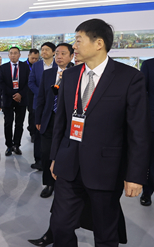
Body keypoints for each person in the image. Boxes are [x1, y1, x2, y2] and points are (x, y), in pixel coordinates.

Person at [50, 18, 149, 247]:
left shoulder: (129, 78)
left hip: (106, 170)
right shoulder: (70, 76)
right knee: (60, 226)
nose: (74, 46)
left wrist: (135, 175)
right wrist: (55, 156)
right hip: (69, 166)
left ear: (99, 43)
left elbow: (138, 131)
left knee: (105, 233)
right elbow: (61, 122)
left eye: (78, 40)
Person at [35, 43, 73, 199]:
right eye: (57, 53)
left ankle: (63, 183)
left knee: (65, 153)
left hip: (67, 120)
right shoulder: (48, 74)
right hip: (49, 118)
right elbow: (41, 97)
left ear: (71, 56)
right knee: (46, 153)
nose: (59, 56)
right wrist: (38, 118)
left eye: (63, 53)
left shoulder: (76, 73)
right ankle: (49, 183)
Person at [0, 47, 30, 156]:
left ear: (19, 55)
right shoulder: (3, 67)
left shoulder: (25, 67)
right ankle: (9, 146)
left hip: (22, 99)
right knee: (8, 123)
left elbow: (28, 82)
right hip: (8, 99)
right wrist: (13, 94)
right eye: (11, 53)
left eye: (15, 53)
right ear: (8, 55)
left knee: (19, 123)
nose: (13, 55)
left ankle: (17, 145)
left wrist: (20, 94)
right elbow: (1, 83)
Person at [141, 58, 154, 206]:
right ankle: (147, 191)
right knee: (150, 160)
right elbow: (141, 93)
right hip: (152, 121)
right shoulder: (149, 65)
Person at [26, 48, 41, 169]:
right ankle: (32, 131)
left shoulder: (40, 66)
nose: (35, 60)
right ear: (28, 56)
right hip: (29, 95)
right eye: (33, 58)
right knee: (32, 114)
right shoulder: (25, 66)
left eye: (36, 58)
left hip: (39, 95)